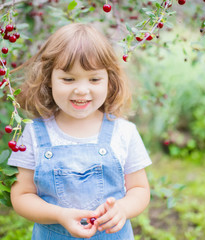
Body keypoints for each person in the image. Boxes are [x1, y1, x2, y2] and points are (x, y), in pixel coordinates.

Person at [8, 23, 152, 239]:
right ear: (49, 79)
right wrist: (59, 215)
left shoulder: (124, 132)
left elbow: (140, 189)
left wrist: (123, 209)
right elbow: (21, 195)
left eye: (94, 79)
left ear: (109, 81)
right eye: (68, 79)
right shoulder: (34, 134)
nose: (81, 90)